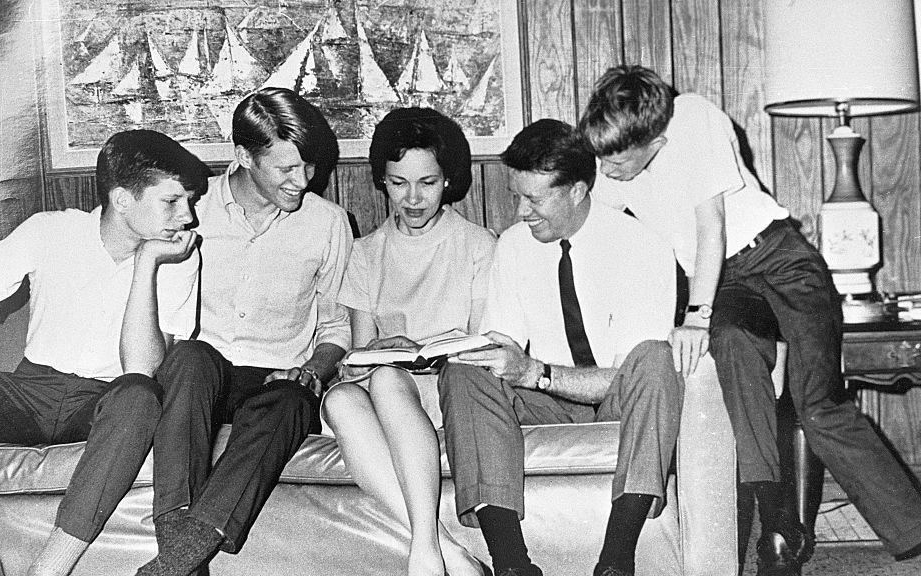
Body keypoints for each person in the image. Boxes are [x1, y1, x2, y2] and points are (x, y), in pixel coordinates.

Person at [578, 64, 921, 575]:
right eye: (600, 156)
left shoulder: (693, 117)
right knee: (735, 347)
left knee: (817, 403)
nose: (607, 170)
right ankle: (779, 521)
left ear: (655, 139)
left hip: (781, 260)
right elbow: (597, 228)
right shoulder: (613, 169)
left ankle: (914, 533)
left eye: (618, 158)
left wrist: (696, 316)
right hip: (729, 283)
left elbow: (709, 225)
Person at [0, 130, 209, 576]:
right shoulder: (50, 230)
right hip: (31, 391)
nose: (187, 217)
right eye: (172, 201)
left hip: (104, 402)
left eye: (188, 201)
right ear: (122, 199)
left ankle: (49, 569)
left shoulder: (177, 257)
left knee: (138, 395)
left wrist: (147, 264)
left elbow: (141, 367)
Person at [438, 119, 681, 576]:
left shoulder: (642, 246)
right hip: (546, 404)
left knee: (654, 357)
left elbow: (627, 375)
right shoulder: (512, 246)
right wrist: (464, 350)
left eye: (534, 198)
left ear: (577, 191)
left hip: (617, 402)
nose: (521, 211)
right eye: (517, 196)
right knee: (466, 370)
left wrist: (535, 372)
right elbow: (503, 346)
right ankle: (511, 563)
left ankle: (616, 559)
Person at [137, 87, 352, 576]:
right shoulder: (192, 209)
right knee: (189, 359)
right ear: (243, 156)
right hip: (202, 372)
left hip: (277, 378)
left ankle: (174, 563)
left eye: (309, 167)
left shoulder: (330, 223)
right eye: (286, 169)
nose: (303, 181)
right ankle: (180, 553)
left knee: (294, 400)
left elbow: (337, 324)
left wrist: (312, 370)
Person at [321, 108, 496, 576]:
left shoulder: (479, 245)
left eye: (428, 182)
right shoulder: (365, 253)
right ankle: (442, 548)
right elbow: (357, 356)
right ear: (382, 180)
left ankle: (425, 552)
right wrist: (382, 351)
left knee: (387, 382)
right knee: (340, 397)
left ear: (449, 180)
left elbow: (484, 344)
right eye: (399, 183)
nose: (413, 198)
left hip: (451, 391)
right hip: (386, 393)